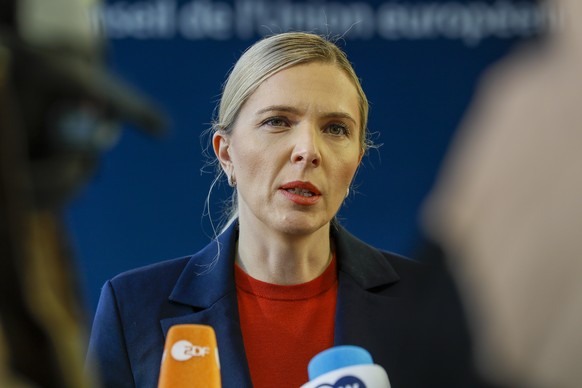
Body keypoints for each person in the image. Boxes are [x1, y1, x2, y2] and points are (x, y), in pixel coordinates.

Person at [88, 32, 483, 388]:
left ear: (358, 160)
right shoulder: (133, 307)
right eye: (278, 121)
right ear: (226, 153)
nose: (308, 150)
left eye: (335, 129)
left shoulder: (426, 302)